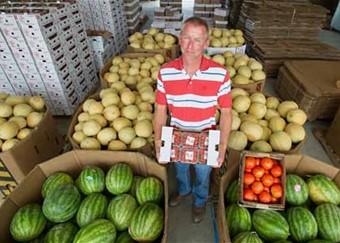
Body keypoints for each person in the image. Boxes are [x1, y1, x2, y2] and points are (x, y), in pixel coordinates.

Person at [153, 17, 232, 224]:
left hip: (206, 135)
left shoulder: (220, 74)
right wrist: (158, 143)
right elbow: (160, 110)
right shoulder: (165, 72)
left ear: (206, 43)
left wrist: (222, 147)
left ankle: (199, 201)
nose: (190, 45)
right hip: (176, 133)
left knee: (203, 174)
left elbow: (226, 113)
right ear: (180, 39)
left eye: (197, 40)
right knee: (179, 170)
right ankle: (184, 191)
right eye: (187, 38)